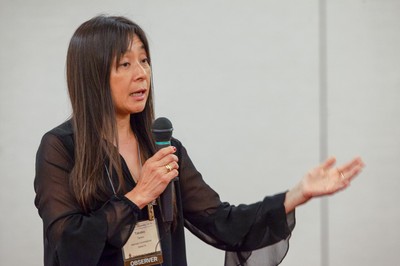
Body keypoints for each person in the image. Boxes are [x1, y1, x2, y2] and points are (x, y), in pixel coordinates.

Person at [34, 15, 364, 266]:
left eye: (145, 60)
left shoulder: (164, 146)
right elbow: (67, 246)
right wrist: (137, 196)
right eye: (125, 63)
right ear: (92, 75)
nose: (142, 74)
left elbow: (221, 222)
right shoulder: (61, 148)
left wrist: (296, 194)